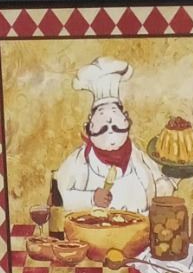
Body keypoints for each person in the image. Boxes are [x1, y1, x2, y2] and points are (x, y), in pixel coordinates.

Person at [55, 57, 175, 214]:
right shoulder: (79, 161)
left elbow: (161, 192)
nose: (110, 126)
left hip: (139, 226)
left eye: (114, 116)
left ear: (126, 121)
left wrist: (176, 174)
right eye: (102, 119)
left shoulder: (138, 157)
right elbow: (61, 197)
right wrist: (91, 198)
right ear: (90, 126)